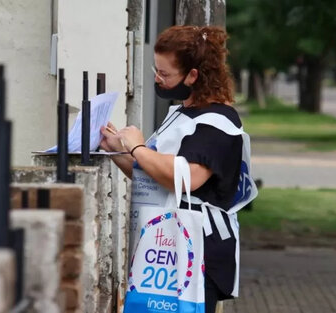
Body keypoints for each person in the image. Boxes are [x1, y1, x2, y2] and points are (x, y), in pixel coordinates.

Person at [100, 25, 256, 313]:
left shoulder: (219, 121)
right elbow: (154, 177)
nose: (158, 79)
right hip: (166, 246)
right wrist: (115, 150)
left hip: (198, 250)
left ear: (193, 75)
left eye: (165, 74)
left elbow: (189, 178)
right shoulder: (182, 113)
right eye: (155, 70)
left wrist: (137, 148)